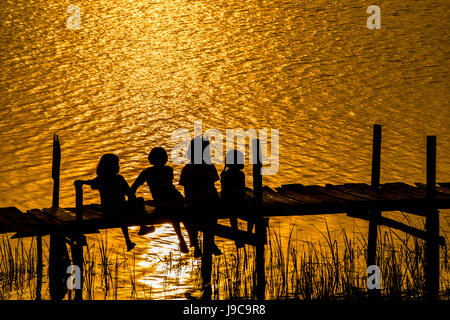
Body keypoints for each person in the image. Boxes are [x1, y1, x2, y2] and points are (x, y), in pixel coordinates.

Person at [74, 153, 151, 252]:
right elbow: (130, 193)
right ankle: (128, 240)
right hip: (109, 209)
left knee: (138, 201)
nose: (118, 166)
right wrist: (82, 182)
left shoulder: (112, 179)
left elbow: (129, 193)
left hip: (119, 207)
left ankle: (142, 227)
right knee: (123, 211)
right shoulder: (109, 179)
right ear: (110, 167)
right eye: (116, 164)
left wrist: (82, 182)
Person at [131, 147, 189, 253]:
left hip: (161, 202)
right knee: (178, 214)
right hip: (173, 199)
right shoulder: (168, 169)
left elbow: (134, 187)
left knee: (173, 213)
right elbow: (170, 187)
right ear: (165, 159)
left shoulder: (147, 172)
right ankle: (185, 240)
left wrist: (133, 201)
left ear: (151, 159)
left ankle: (182, 240)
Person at [179, 136, 222, 258]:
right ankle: (209, 242)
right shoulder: (208, 166)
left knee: (189, 218)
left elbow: (186, 189)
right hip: (207, 201)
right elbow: (213, 185)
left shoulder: (187, 168)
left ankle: (196, 244)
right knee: (210, 218)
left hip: (197, 202)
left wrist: (188, 201)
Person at [220, 149, 250, 248]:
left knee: (233, 216)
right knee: (254, 211)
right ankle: (248, 234)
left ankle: (235, 231)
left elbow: (224, 189)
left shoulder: (225, 174)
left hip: (227, 201)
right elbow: (241, 190)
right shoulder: (241, 175)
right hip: (237, 200)